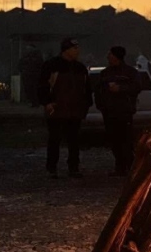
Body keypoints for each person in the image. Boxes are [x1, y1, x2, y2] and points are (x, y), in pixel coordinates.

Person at [37, 37, 92, 179]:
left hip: (75, 110)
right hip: (57, 108)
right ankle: (52, 168)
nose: (77, 51)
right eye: (75, 48)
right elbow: (42, 85)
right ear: (66, 50)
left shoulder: (80, 68)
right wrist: (47, 102)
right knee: (55, 139)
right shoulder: (51, 66)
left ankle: (73, 168)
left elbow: (87, 88)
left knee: (74, 141)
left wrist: (86, 105)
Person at [95, 46, 141, 177]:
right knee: (114, 141)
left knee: (126, 140)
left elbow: (137, 87)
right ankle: (119, 167)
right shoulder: (105, 73)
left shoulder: (130, 72)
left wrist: (120, 89)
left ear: (116, 56)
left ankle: (131, 167)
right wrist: (101, 106)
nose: (108, 56)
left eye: (110, 54)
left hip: (124, 112)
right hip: (109, 112)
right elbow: (99, 91)